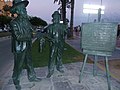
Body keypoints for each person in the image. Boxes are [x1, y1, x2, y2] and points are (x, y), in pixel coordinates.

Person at [9, 0, 41, 90]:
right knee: (19, 65)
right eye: (23, 9)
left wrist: (39, 34)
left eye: (25, 8)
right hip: (19, 47)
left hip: (28, 45)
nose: (25, 10)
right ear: (18, 11)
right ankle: (16, 79)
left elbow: (33, 30)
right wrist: (31, 35)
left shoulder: (26, 21)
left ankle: (32, 76)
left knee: (29, 62)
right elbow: (18, 36)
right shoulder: (14, 23)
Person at [44, 11, 67, 78]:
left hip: (60, 43)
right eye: (55, 17)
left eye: (58, 17)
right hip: (53, 43)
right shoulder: (50, 27)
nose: (56, 18)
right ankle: (51, 70)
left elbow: (64, 34)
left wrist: (65, 29)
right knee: (52, 56)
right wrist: (51, 39)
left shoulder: (62, 26)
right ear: (53, 18)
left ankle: (59, 67)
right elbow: (47, 36)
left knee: (59, 55)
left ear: (59, 18)